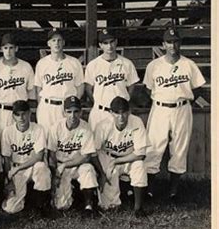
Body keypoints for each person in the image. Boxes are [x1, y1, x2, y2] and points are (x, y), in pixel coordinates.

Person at [143, 27, 206, 202]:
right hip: (160, 109)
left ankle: (173, 192)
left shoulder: (188, 64)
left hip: (182, 109)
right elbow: (148, 90)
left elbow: (198, 88)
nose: (172, 45)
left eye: (175, 41)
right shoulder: (154, 66)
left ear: (180, 43)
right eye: (169, 42)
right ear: (163, 44)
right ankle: (149, 190)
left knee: (179, 149)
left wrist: (184, 102)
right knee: (154, 148)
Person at [47, 96, 107, 215]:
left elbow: (87, 157)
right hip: (60, 166)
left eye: (75, 112)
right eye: (69, 112)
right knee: (61, 206)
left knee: (88, 169)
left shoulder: (85, 127)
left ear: (81, 112)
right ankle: (74, 194)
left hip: (79, 164)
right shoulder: (55, 128)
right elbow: (51, 154)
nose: (72, 116)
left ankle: (89, 206)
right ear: (64, 112)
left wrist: (101, 173)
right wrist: (55, 174)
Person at [93, 97, 148, 217]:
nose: (121, 116)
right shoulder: (103, 125)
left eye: (124, 112)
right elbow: (94, 152)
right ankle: (121, 196)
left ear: (129, 112)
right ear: (111, 113)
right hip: (108, 157)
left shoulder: (136, 122)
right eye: (117, 113)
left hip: (130, 157)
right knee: (109, 207)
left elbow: (140, 154)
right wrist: (101, 173)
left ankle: (138, 208)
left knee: (140, 167)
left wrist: (117, 161)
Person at [0, 100, 51, 215]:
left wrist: (19, 168)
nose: (21, 118)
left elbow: (39, 156)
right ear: (13, 116)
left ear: (29, 114)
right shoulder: (7, 131)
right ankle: (23, 199)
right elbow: (6, 158)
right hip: (16, 169)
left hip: (32, 166)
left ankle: (41, 204)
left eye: (24, 114)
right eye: (17, 114)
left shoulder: (38, 129)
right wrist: (9, 180)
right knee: (11, 209)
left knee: (41, 167)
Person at [84, 28, 139, 132]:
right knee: (97, 146)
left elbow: (132, 86)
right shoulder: (93, 65)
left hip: (120, 113)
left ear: (116, 42)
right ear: (100, 45)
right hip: (100, 111)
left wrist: (125, 100)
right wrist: (98, 101)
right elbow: (88, 89)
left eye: (111, 42)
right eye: (105, 43)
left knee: (121, 145)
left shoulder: (127, 63)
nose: (109, 46)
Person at [34, 28, 84, 132]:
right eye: (53, 40)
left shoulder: (74, 62)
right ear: (48, 43)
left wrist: (72, 105)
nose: (56, 43)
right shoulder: (42, 63)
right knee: (47, 140)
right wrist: (42, 104)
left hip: (66, 107)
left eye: (59, 40)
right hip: (47, 107)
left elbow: (80, 87)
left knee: (65, 139)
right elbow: (38, 88)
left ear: (63, 42)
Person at [0, 33, 36, 138]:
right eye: (5, 48)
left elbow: (32, 94)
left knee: (19, 143)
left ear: (16, 49)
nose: (8, 51)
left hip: (20, 113)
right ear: (1, 49)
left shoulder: (26, 67)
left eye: (11, 48)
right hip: (0, 112)